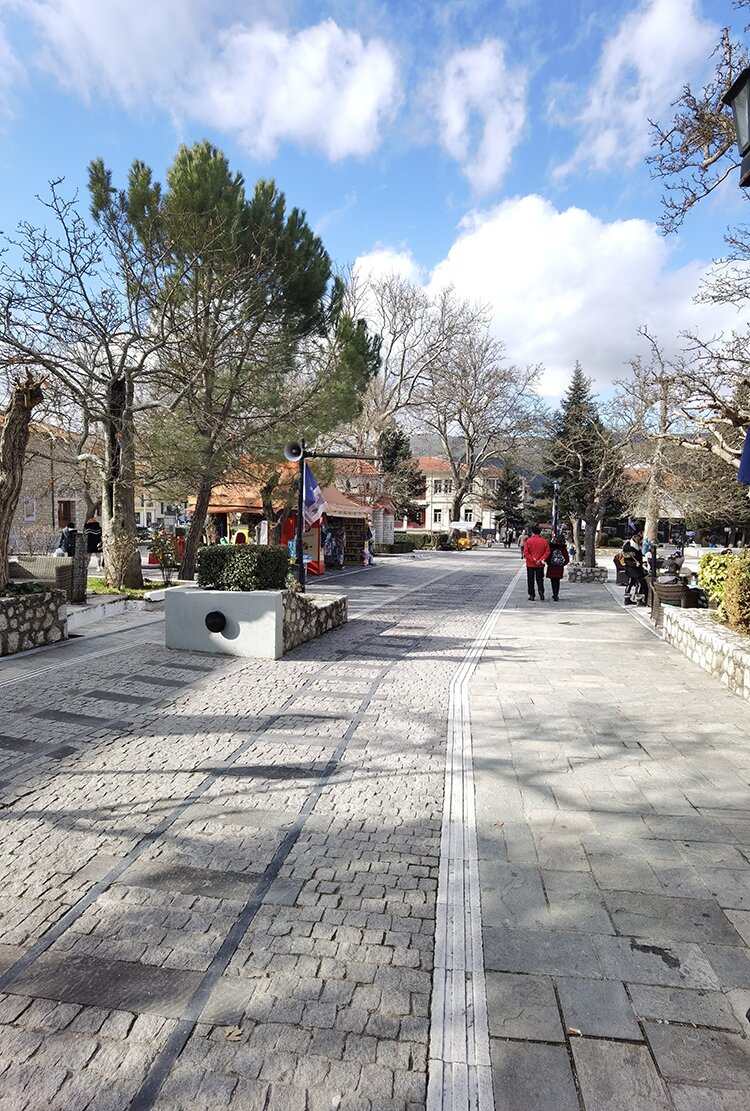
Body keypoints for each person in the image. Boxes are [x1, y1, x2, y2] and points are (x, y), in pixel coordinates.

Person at [522, 525, 550, 601]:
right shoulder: (544, 541)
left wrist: (533, 560)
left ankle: (531, 594)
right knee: (540, 579)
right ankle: (541, 591)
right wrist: (541, 559)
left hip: (530, 564)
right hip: (540, 564)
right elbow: (547, 552)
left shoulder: (529, 541)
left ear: (532, 532)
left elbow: (526, 552)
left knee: (530, 579)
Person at [622, 531, 648, 605]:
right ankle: (639, 600)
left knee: (630, 583)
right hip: (633, 569)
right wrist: (635, 564)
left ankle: (627, 599)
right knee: (641, 583)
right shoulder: (629, 547)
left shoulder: (634, 546)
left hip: (632, 569)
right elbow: (627, 559)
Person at [545, 534, 570, 601]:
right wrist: (562, 564)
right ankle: (556, 594)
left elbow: (547, 557)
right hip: (559, 567)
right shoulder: (563, 548)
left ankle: (554, 593)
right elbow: (567, 559)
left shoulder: (551, 548)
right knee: (557, 581)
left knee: (553, 581)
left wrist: (548, 563)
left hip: (551, 566)